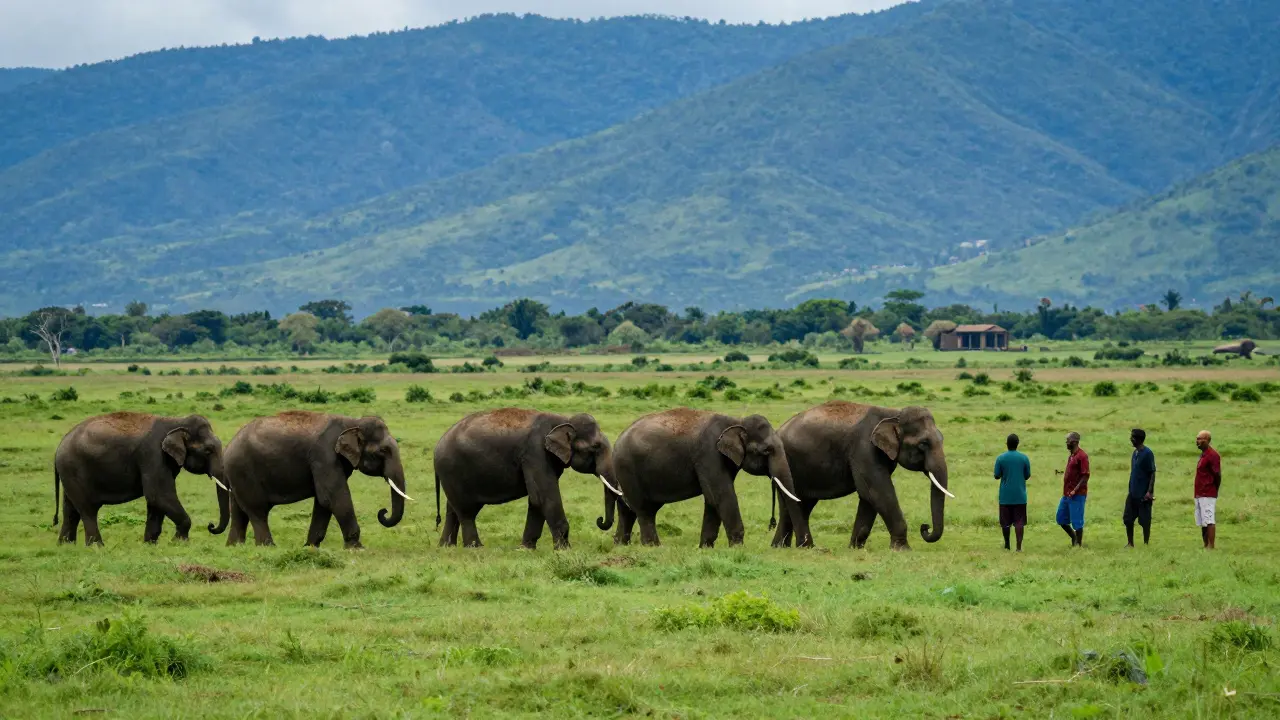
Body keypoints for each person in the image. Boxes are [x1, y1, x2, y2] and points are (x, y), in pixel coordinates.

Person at [993, 433, 1031, 551]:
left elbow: (996, 475)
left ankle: (1007, 544)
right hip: (1020, 495)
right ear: (1017, 444)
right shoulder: (1024, 458)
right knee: (1019, 522)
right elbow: (1027, 475)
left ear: (1007, 444)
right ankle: (1019, 547)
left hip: (1005, 496)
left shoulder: (1000, 458)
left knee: (1005, 523)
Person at [1124, 428, 1156, 547]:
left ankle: (1146, 543)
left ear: (1138, 439)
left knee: (1144, 520)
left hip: (1143, 493)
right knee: (1127, 518)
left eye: (1132, 437)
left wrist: (1149, 491)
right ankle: (1130, 542)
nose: (1130, 439)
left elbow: (1152, 472)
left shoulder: (1147, 453)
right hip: (1132, 492)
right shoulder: (1135, 453)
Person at [1056, 431, 1089, 547]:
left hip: (1077, 494)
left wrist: (1075, 489)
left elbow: (1085, 475)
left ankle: (1078, 544)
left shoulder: (1082, 456)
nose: (1066, 443)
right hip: (1067, 493)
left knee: (1077, 521)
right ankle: (1074, 538)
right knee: (1060, 518)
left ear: (1074, 442)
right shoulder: (1072, 456)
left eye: (1068, 441)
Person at [1194, 430, 1221, 549]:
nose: (1198, 441)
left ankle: (1211, 545)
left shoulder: (1213, 455)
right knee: (1202, 520)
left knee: (1209, 519)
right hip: (1199, 492)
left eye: (1201, 439)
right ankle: (1205, 544)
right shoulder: (1203, 454)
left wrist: (1214, 489)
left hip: (1208, 492)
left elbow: (1217, 475)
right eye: (1197, 439)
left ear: (1208, 440)